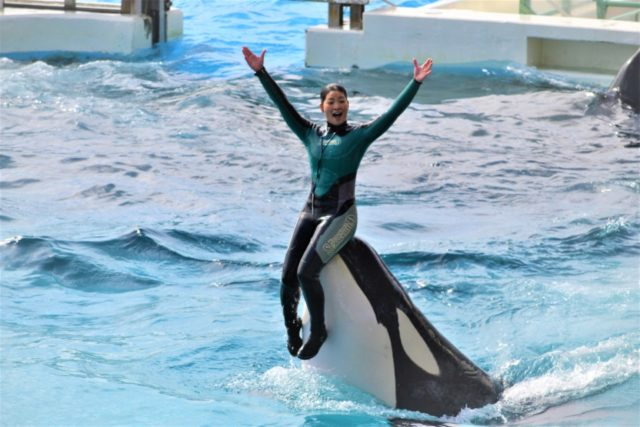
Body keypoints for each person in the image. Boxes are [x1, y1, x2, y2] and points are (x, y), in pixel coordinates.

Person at [242, 46, 433, 360]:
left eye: (342, 101)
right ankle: (292, 328)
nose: (337, 105)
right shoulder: (309, 134)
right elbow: (282, 105)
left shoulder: (358, 136)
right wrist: (261, 72)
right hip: (311, 212)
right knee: (288, 275)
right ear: (322, 107)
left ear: (347, 106)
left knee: (307, 273)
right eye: (331, 101)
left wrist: (415, 83)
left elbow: (390, 116)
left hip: (342, 215)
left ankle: (318, 331)